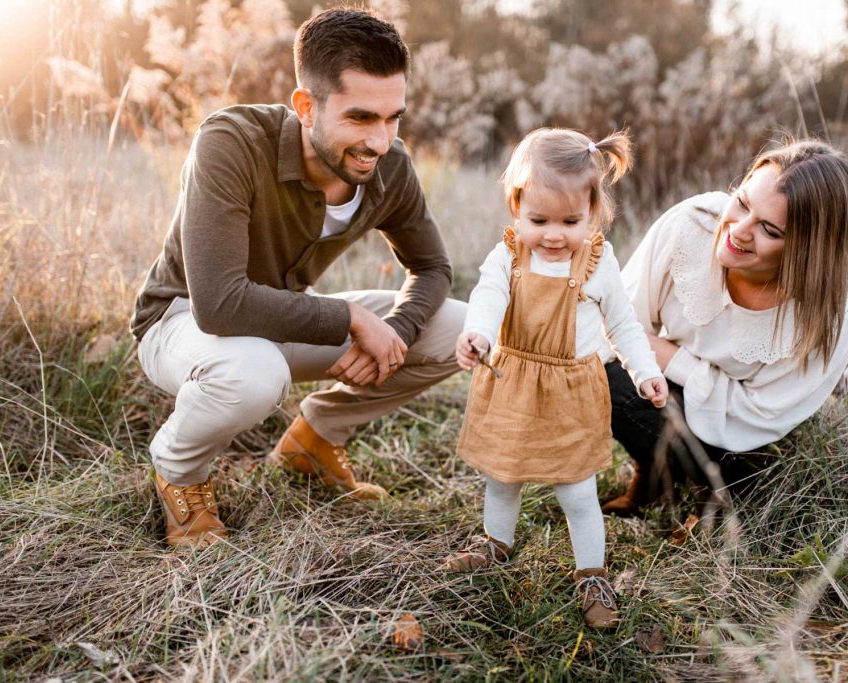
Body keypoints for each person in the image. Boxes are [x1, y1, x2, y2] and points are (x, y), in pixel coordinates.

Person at [129, 8, 465, 549]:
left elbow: (432, 269)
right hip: (182, 322)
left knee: (458, 327)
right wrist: (351, 318)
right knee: (252, 373)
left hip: (281, 320)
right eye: (360, 118)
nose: (380, 141)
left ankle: (313, 440)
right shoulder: (231, 141)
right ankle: (179, 472)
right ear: (306, 107)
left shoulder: (390, 166)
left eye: (393, 118)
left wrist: (395, 330)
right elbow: (218, 304)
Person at [443, 128, 669, 630]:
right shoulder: (508, 256)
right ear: (516, 208)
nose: (553, 235)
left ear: (593, 214)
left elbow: (623, 325)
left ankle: (591, 573)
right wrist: (478, 334)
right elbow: (488, 296)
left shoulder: (597, 262)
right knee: (503, 475)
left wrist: (645, 371)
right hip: (513, 382)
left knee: (576, 490)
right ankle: (496, 543)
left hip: (571, 392)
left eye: (570, 221)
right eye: (538, 220)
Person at [600, 140, 848, 517]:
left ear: (807, 248)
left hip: (749, 442)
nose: (738, 230)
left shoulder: (832, 310)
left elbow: (761, 415)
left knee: (744, 476)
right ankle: (652, 471)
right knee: (603, 376)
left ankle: (721, 494)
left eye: (769, 229)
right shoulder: (690, 226)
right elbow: (620, 321)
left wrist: (672, 358)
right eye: (742, 203)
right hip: (666, 394)